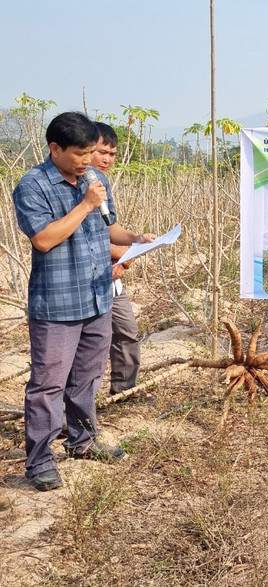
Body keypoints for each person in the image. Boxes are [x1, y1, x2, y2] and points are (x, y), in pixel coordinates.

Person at [13, 112, 155, 491]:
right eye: (81, 153)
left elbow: (108, 228)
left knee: (88, 377)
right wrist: (85, 205)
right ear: (55, 149)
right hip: (58, 304)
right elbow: (43, 238)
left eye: (92, 152)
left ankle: (83, 442)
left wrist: (137, 237)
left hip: (98, 298)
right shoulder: (34, 186)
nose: (88, 160)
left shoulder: (96, 179)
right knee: (48, 384)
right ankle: (39, 460)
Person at [92, 122, 140, 395]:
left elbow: (110, 229)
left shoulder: (103, 183)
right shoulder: (71, 185)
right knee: (91, 346)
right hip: (85, 282)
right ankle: (74, 412)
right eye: (102, 152)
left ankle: (124, 390)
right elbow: (80, 235)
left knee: (126, 333)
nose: (107, 159)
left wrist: (127, 251)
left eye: (112, 154)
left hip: (112, 279)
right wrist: (120, 254)